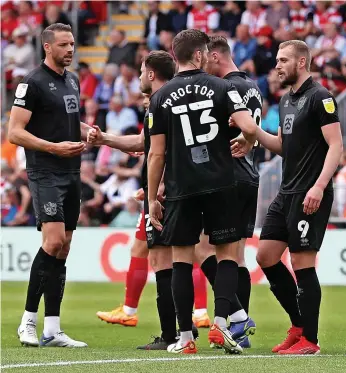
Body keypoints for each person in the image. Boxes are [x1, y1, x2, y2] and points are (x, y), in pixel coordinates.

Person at [146, 29, 258, 355]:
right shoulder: (223, 87)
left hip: (183, 187)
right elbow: (249, 126)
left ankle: (185, 338)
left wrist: (153, 197)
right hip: (222, 183)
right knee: (225, 255)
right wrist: (247, 141)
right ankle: (222, 324)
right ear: (199, 55)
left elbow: (156, 154)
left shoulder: (160, 97)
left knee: (181, 259)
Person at [89, 51, 204, 349]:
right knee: (176, 257)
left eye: (141, 72)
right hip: (175, 189)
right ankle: (189, 324)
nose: (139, 77)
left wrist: (156, 189)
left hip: (166, 195)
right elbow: (145, 143)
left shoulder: (159, 101)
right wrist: (105, 140)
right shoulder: (172, 99)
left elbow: (158, 152)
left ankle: (178, 331)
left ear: (151, 74)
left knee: (167, 260)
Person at [236, 40, 343, 355]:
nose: (277, 66)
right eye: (277, 60)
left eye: (283, 60)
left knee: (301, 262)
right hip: (287, 191)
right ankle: (298, 325)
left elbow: (335, 145)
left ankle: (311, 339)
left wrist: (319, 186)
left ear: (302, 62)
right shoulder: (285, 101)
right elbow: (283, 145)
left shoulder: (321, 98)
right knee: (265, 256)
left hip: (311, 191)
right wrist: (252, 136)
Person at [9, 23, 95, 348]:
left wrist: (87, 131)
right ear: (47, 47)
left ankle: (53, 329)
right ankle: (28, 321)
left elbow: (66, 120)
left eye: (72, 44)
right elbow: (14, 132)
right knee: (53, 240)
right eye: (63, 45)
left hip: (73, 172)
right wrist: (53, 147)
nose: (70, 50)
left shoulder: (72, 80)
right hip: (46, 171)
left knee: (64, 246)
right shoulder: (31, 83)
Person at [188, 35, 263, 349]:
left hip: (227, 175)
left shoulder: (227, 89)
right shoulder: (253, 87)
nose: (204, 62)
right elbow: (252, 132)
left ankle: (239, 316)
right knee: (237, 256)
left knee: (201, 248)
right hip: (249, 174)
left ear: (216, 55)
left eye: (206, 57)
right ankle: (239, 334)